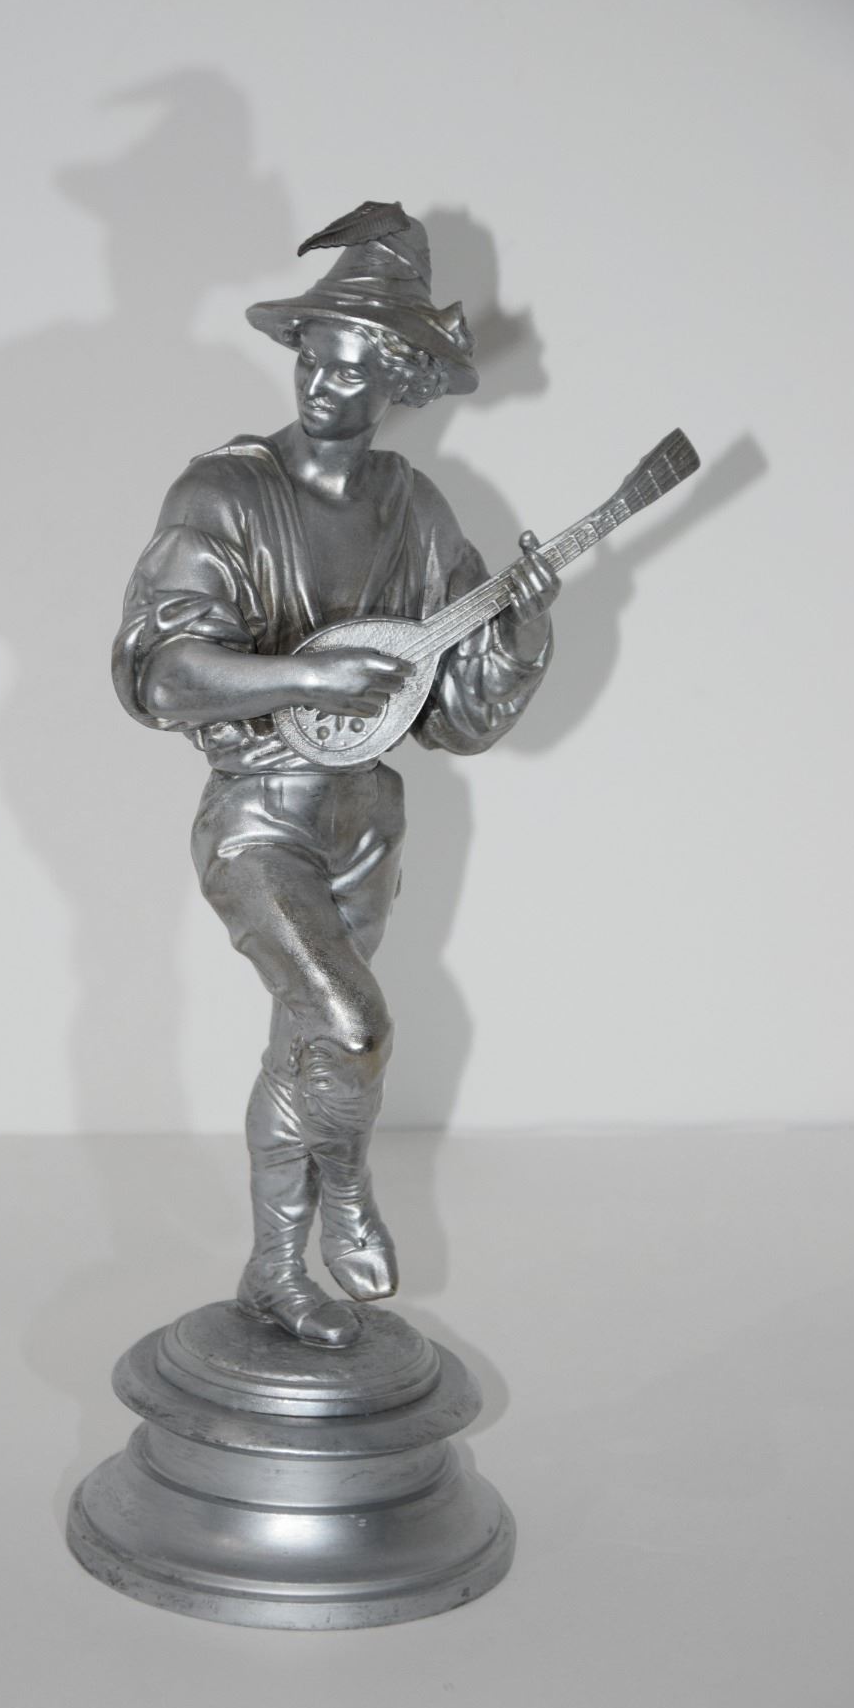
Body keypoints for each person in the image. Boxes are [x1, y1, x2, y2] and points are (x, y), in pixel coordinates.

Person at [112, 202, 559, 1347]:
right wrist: (306, 678)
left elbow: (453, 717)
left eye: (356, 366)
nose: (326, 382)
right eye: (316, 354)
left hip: (365, 819)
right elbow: (163, 673)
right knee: (352, 1029)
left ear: (398, 382)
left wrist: (519, 635)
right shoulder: (223, 495)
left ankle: (275, 1273)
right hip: (258, 819)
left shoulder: (417, 513)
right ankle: (349, 1185)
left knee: (306, 1043)